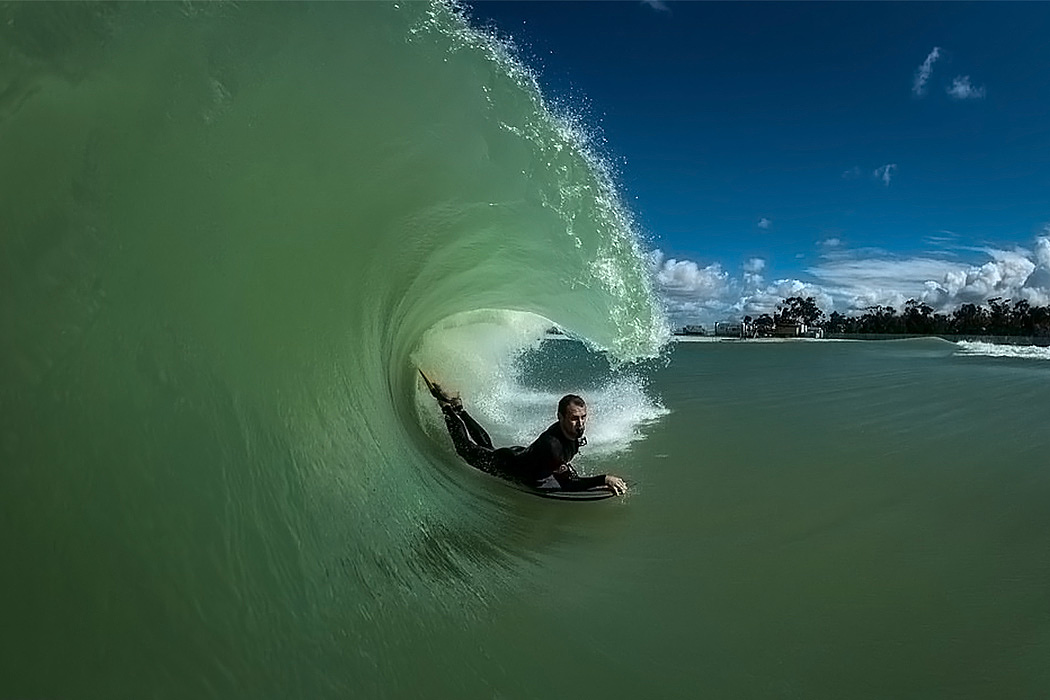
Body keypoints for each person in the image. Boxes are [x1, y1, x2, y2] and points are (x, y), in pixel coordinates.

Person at [425, 375, 628, 495]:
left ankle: (460, 409)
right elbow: (568, 483)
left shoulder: (572, 433)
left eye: (584, 417)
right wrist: (604, 479)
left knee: (488, 446)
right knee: (466, 449)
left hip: (521, 455)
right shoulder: (553, 446)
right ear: (560, 417)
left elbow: (562, 466)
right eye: (575, 418)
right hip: (505, 464)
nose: (581, 423)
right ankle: (447, 409)